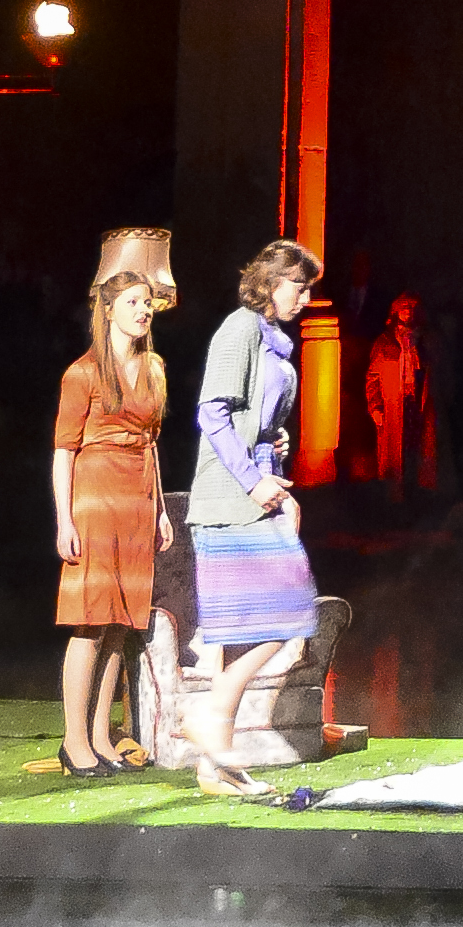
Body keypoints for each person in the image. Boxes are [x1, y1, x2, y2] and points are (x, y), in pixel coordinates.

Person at [180, 237, 321, 799]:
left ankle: (217, 764)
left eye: (309, 289)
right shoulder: (240, 327)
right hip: (229, 497)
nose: (306, 299)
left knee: (250, 630)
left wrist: (273, 445)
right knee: (291, 609)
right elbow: (211, 413)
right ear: (270, 281)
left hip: (258, 488)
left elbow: (249, 417)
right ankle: (211, 716)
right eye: (300, 286)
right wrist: (254, 479)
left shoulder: (274, 340)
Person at [52, 247, 172, 775]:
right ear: (109, 309)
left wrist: (163, 510)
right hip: (95, 496)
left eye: (147, 302)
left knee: (121, 623)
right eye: (132, 301)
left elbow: (152, 443)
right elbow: (63, 449)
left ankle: (101, 736)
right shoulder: (81, 374)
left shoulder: (154, 369)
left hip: (137, 497)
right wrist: (64, 519)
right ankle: (73, 739)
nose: (143, 310)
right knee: (90, 622)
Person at [361, 289, 443, 508]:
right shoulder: (384, 342)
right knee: (395, 457)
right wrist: (375, 407)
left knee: (420, 452)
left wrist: (418, 347)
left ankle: (422, 498)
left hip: (419, 404)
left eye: (412, 308)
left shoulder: (427, 339)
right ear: (396, 311)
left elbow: (437, 368)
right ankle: (394, 502)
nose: (408, 313)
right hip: (393, 406)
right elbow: (372, 378)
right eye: (404, 308)